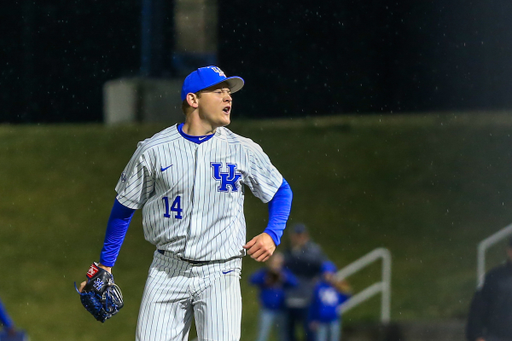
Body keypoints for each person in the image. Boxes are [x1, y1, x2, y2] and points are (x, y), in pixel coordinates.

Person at [78, 65, 293, 341]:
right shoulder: (153, 151)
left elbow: (280, 191)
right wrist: (105, 266)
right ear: (193, 100)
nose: (228, 98)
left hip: (221, 271)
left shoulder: (243, 149)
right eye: (218, 91)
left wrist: (272, 234)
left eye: (229, 93)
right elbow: (124, 208)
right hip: (166, 271)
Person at [283, 223, 328, 341]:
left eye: (300, 235)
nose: (298, 238)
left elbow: (316, 265)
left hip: (308, 299)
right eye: (296, 235)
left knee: (310, 333)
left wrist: (294, 257)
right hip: (290, 298)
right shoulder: (289, 251)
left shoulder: (313, 250)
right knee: (288, 334)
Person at [466, 238, 512, 341]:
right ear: (509, 251)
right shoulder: (495, 277)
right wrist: (477, 335)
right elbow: (478, 309)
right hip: (496, 337)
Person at [249, 252, 298, 341]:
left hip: (281, 309)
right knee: (262, 335)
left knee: (283, 335)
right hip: (266, 309)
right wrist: (266, 277)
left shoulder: (284, 273)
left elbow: (295, 283)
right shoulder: (264, 273)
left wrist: (283, 277)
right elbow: (252, 279)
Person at [308, 261, 351, 341]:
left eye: (331, 274)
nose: (329, 276)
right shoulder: (318, 287)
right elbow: (314, 304)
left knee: (334, 338)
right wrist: (313, 319)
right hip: (321, 319)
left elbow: (343, 299)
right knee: (321, 338)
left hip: (334, 318)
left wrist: (345, 291)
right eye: (327, 274)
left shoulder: (336, 286)